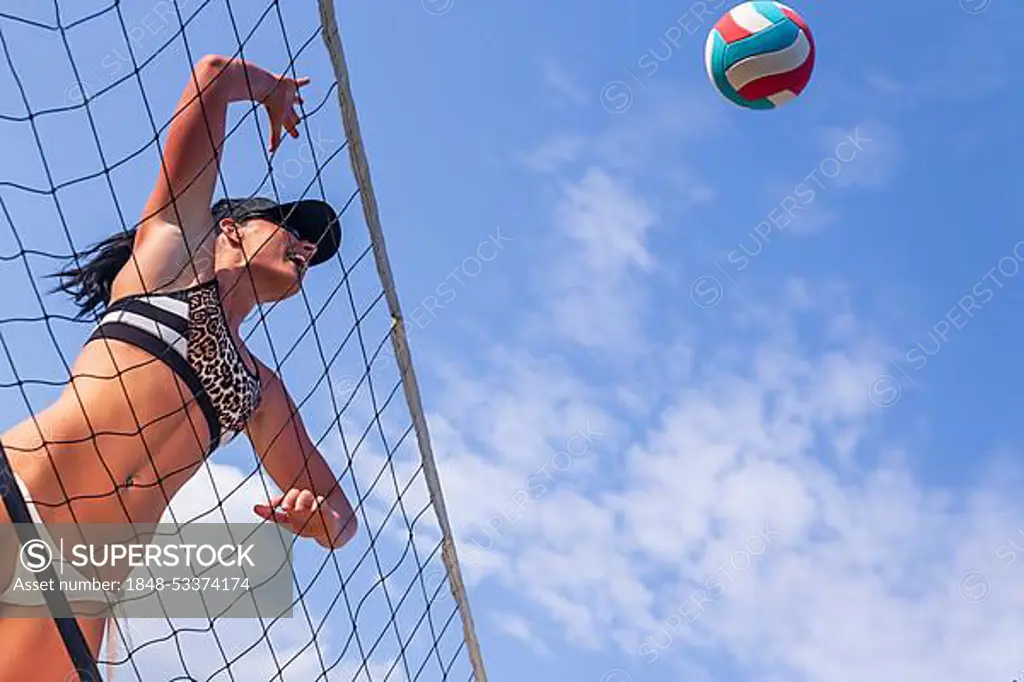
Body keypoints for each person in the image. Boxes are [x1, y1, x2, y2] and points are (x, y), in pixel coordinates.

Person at [0, 54, 358, 681]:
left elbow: (341, 515)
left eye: (315, 250)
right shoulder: (167, 261)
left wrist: (318, 519)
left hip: (78, 595)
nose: (306, 247)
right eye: (290, 227)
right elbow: (213, 75)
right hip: (20, 498)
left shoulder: (259, 388)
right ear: (230, 230)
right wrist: (270, 90)